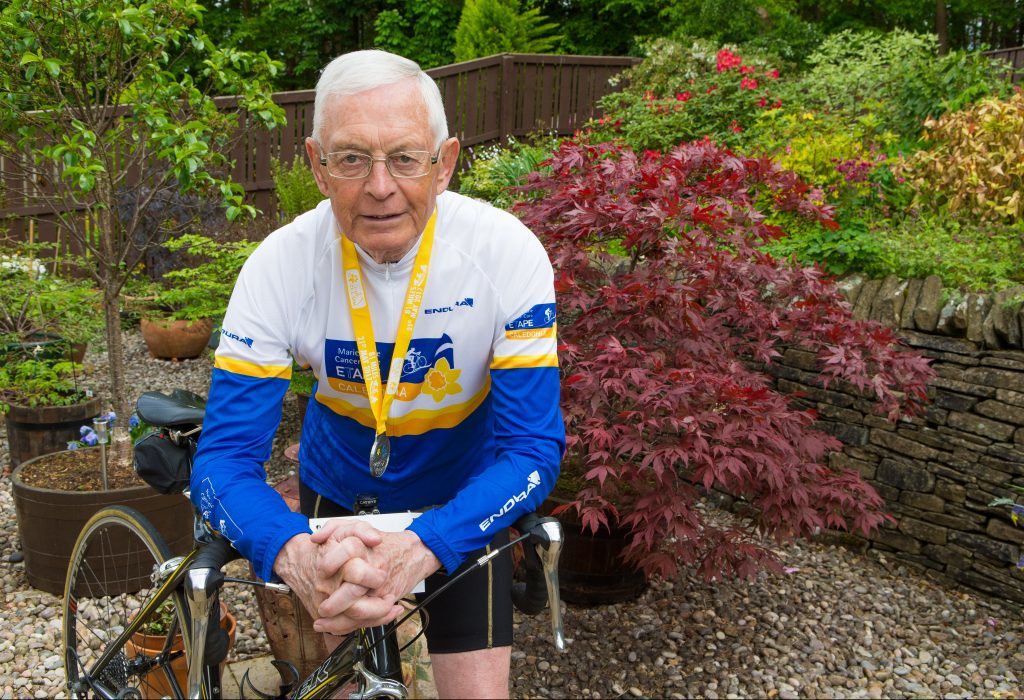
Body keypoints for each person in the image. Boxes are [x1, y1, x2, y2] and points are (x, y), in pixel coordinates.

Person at [190, 49, 564, 698]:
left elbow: (532, 451)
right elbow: (221, 461)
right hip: (338, 499)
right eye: (352, 158)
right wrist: (293, 554)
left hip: (459, 498)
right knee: (349, 687)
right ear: (318, 165)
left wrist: (426, 543)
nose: (380, 186)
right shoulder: (279, 266)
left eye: (405, 157)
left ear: (444, 164)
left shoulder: (505, 254)